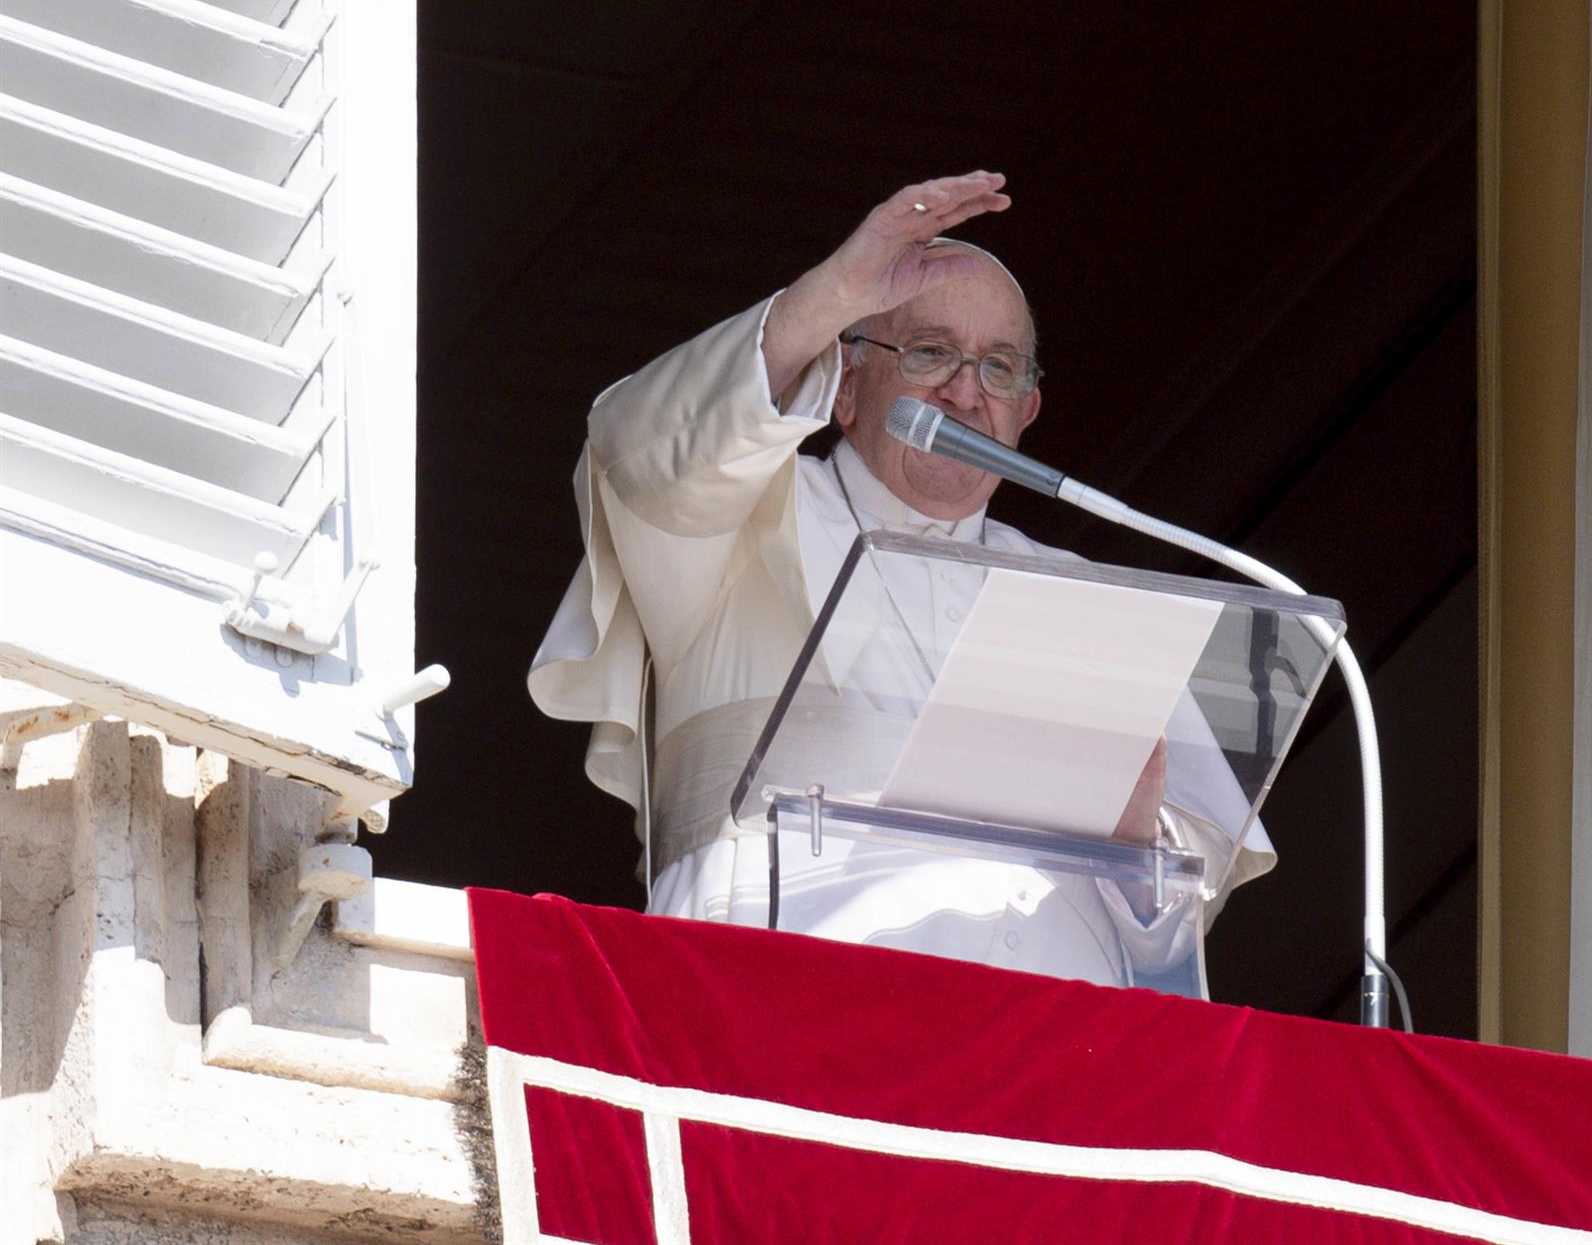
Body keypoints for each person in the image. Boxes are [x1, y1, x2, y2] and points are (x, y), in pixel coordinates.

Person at [530, 172, 1274, 988]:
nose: (964, 391)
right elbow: (639, 447)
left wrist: (1134, 843)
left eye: (999, 368)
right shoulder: (741, 519)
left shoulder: (1090, 603)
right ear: (846, 384)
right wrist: (835, 292)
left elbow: (1180, 904)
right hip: (779, 987)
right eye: (929, 353)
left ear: (1027, 413)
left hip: (1041, 1034)